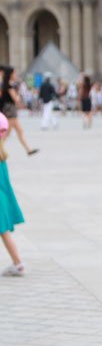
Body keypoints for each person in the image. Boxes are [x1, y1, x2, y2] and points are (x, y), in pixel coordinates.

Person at [0, 112, 25, 277]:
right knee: (4, 231)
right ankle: (18, 263)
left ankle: (18, 262)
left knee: (4, 231)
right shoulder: (2, 156)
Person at [0, 67, 38, 156]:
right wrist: (19, 92)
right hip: (9, 111)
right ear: (11, 74)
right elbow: (16, 99)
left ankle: (28, 150)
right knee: (6, 133)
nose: (16, 75)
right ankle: (1, 150)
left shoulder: (9, 85)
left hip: (11, 111)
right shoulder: (9, 87)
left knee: (19, 131)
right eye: (14, 73)